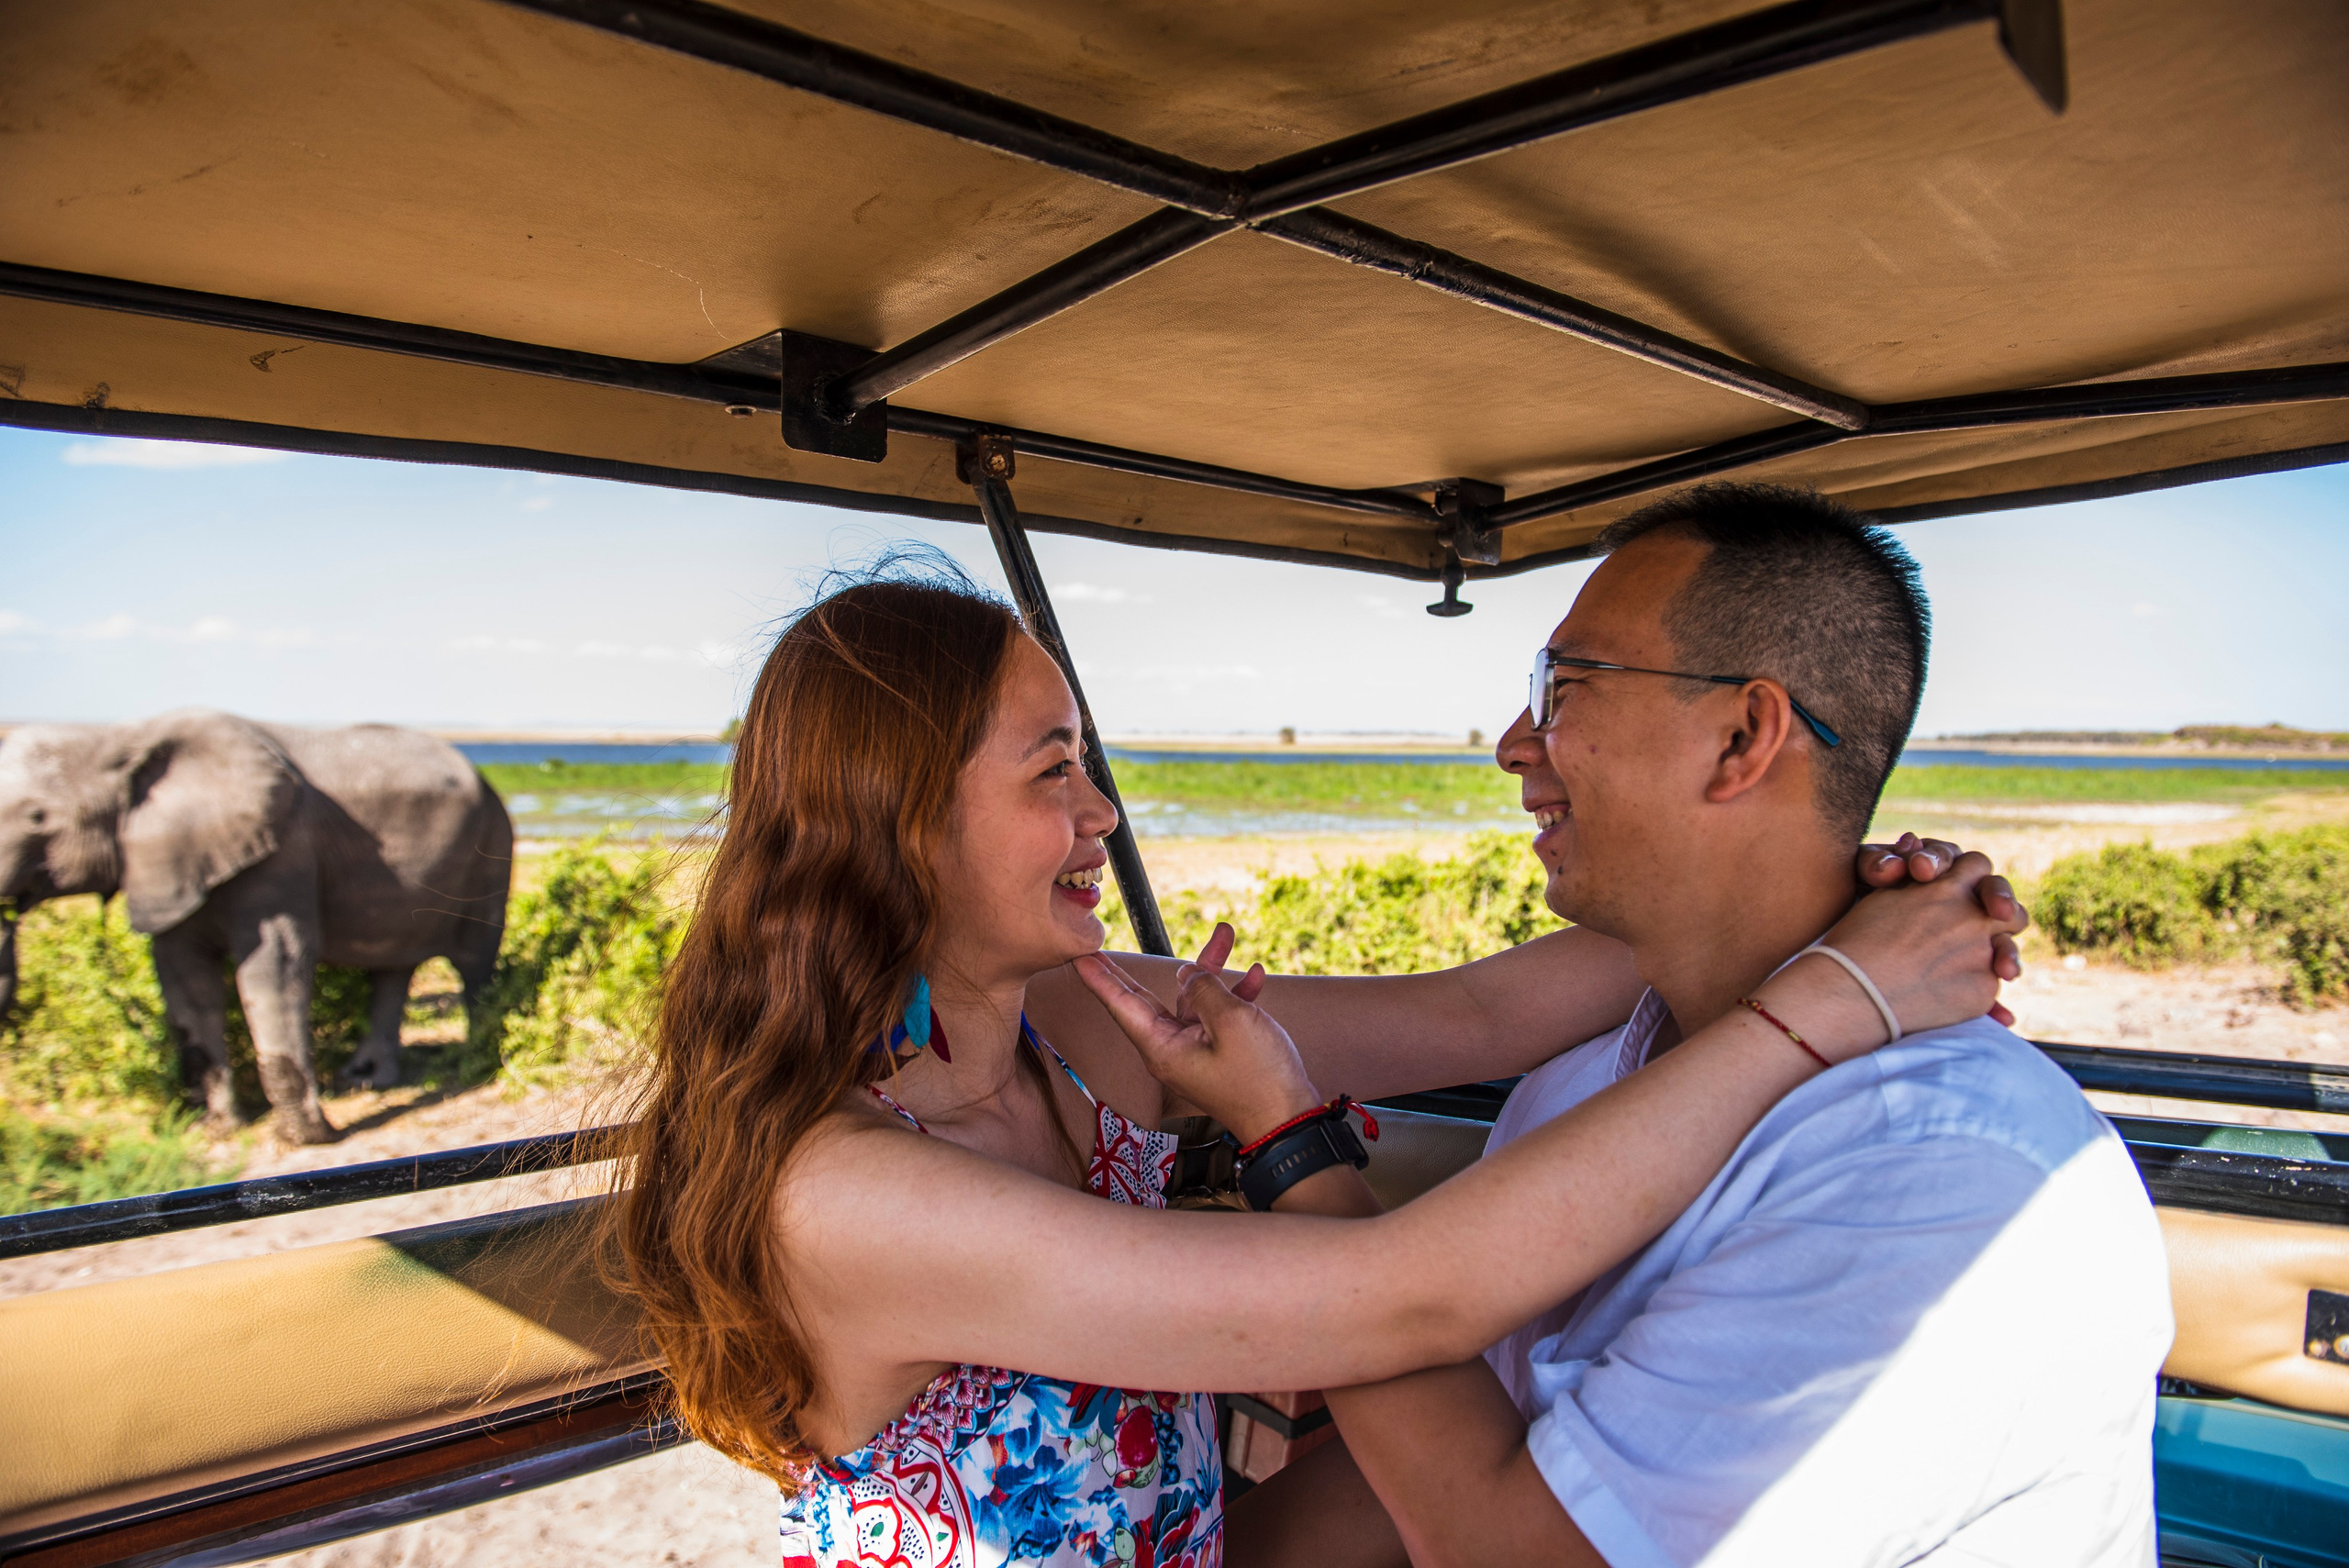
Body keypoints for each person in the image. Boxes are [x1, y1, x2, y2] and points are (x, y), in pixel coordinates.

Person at [607, 563, 2026, 1568]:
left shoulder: (1087, 1026)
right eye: (1051, 771)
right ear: (902, 822)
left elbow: (1477, 1017)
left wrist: (1829, 892)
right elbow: (1402, 1297)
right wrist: (1836, 1001)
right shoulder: (848, 1195)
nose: (1102, 812)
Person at [1089, 484, 2173, 1568]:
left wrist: (1288, 1138)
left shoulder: (1932, 1165)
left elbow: (1517, 1545)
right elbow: (1447, 1449)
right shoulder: (1587, 1079)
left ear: (1742, 736)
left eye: (1563, 689)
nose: (1513, 744)